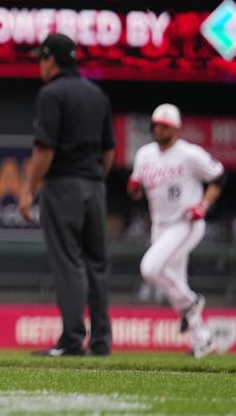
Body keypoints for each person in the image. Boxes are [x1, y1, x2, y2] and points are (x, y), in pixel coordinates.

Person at [19, 32, 115, 357]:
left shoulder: (52, 93)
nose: (39, 67)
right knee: (97, 265)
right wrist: (94, 180)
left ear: (51, 59)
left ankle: (73, 340)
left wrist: (28, 190)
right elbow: (109, 152)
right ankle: (101, 342)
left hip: (63, 185)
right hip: (95, 186)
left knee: (68, 262)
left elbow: (44, 149)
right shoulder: (97, 94)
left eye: (41, 60)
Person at [127, 103, 224, 358]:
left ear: (176, 129)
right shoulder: (144, 154)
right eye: (156, 124)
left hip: (185, 223)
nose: (159, 129)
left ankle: (192, 302)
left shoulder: (189, 153)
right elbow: (136, 187)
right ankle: (203, 342)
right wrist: (134, 187)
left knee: (150, 268)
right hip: (160, 225)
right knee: (175, 284)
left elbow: (219, 177)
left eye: (165, 126)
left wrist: (204, 204)